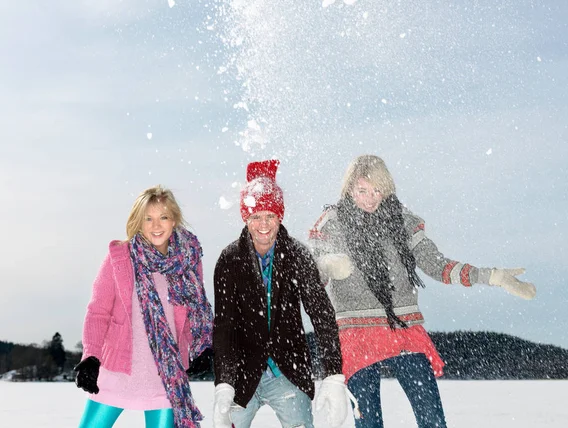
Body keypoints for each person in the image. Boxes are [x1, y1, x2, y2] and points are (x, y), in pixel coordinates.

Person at [308, 155, 536, 428]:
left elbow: (437, 265)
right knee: (369, 424)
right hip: (356, 333)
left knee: (433, 420)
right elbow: (312, 279)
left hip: (403, 329)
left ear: (387, 188)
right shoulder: (332, 222)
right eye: (362, 191)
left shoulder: (402, 221)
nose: (370, 199)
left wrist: (492, 276)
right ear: (349, 189)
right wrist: (327, 266)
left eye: (377, 190)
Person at [212, 159, 350, 428]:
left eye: (270, 216)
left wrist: (334, 375)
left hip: (288, 373)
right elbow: (224, 327)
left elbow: (322, 314)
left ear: (280, 216)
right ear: (246, 218)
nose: (263, 225)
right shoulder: (229, 259)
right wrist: (224, 384)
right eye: (256, 216)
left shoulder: (297, 255)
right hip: (242, 377)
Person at [75, 186, 214, 428]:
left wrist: (202, 347)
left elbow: (195, 308)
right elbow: (98, 312)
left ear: (174, 220)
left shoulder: (187, 260)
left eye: (163, 217)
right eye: (148, 218)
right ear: (138, 221)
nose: (156, 225)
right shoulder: (120, 258)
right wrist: (91, 357)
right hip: (118, 371)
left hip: (166, 377)